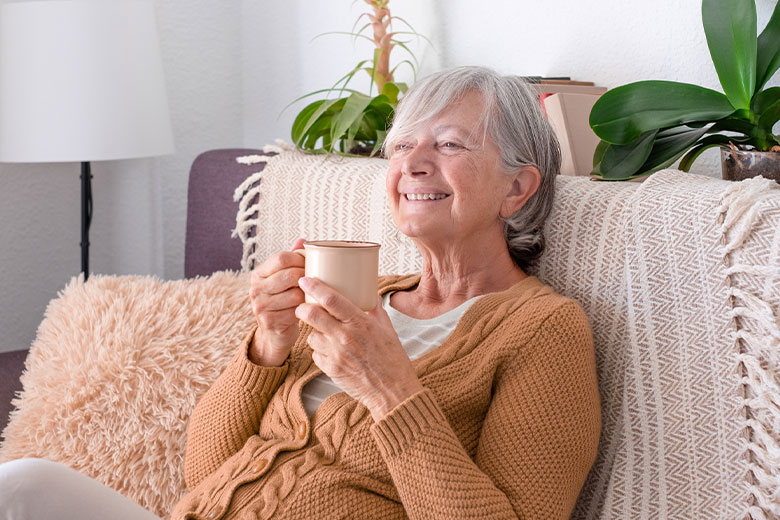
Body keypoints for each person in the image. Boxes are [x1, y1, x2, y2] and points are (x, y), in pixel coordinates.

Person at [0, 66, 601, 520]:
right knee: (23, 484)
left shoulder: (542, 329)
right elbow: (205, 473)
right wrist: (269, 343)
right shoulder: (360, 295)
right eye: (401, 145)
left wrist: (391, 390)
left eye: (448, 144)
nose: (413, 163)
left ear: (517, 188)